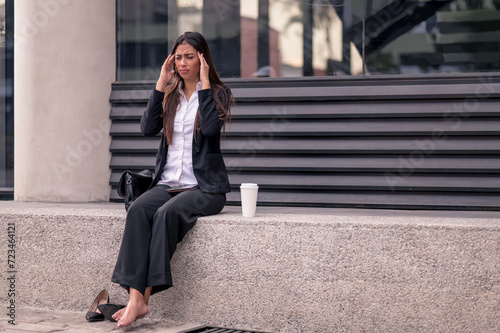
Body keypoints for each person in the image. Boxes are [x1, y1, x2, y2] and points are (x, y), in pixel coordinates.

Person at [109, 31, 233, 328]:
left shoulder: (218, 92)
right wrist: (160, 84)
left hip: (204, 188)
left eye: (189, 56)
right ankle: (135, 299)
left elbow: (211, 130)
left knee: (166, 215)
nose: (182, 63)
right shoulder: (170, 95)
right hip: (168, 183)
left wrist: (203, 84)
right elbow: (147, 128)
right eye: (178, 57)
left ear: (202, 58)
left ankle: (141, 300)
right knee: (138, 210)